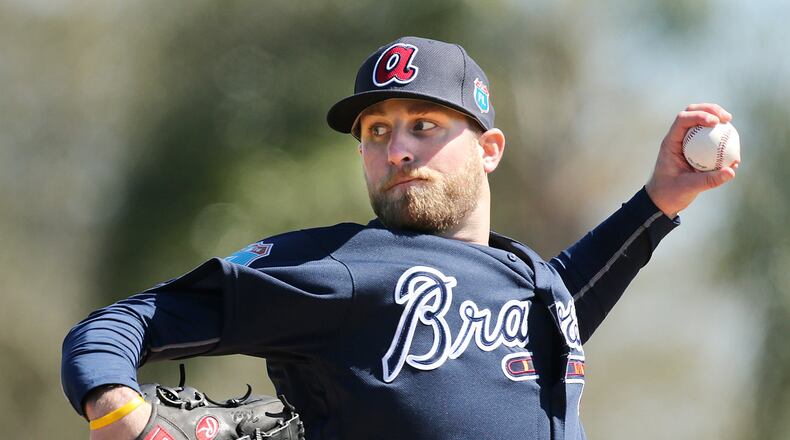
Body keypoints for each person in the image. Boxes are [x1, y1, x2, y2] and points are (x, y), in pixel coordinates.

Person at [61, 36, 739, 440]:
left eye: (423, 125)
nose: (398, 149)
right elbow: (123, 322)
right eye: (377, 131)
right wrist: (112, 406)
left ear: (490, 149)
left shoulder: (528, 280)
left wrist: (661, 200)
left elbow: (560, 306)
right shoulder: (341, 266)